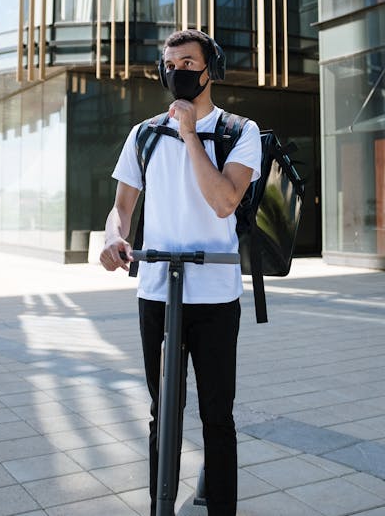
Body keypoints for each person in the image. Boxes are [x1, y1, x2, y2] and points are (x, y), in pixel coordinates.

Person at [100, 29, 261, 516]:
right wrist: (114, 236)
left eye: (188, 63)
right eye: (170, 65)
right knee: (162, 413)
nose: (178, 72)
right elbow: (121, 207)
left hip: (214, 296)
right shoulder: (144, 134)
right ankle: (159, 507)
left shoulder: (240, 132)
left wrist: (191, 135)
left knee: (218, 416)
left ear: (211, 67)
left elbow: (223, 201)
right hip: (156, 292)